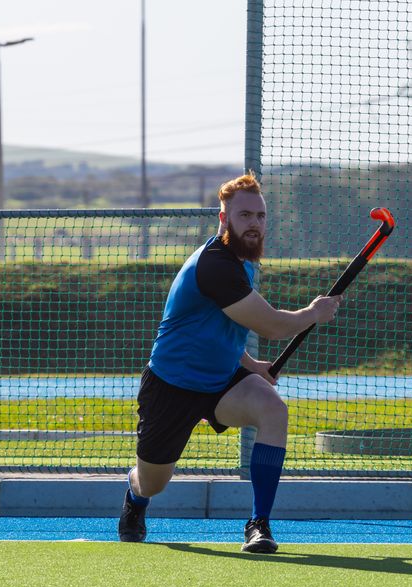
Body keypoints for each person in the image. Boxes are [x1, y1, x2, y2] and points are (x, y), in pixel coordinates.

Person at [119, 173, 341, 552]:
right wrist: (312, 313)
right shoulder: (215, 265)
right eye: (245, 215)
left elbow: (222, 325)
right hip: (172, 386)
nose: (254, 224)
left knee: (273, 410)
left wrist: (252, 366)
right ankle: (134, 495)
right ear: (224, 219)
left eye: (261, 216)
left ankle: (258, 524)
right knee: (153, 482)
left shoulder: (245, 262)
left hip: (221, 380)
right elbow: (271, 325)